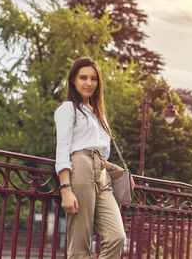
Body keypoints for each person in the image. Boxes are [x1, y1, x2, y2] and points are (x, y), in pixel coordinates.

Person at [54, 57, 133, 258]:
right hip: (80, 168)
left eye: (93, 79)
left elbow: (98, 151)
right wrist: (65, 189)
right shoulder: (67, 109)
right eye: (83, 78)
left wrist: (114, 167)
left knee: (117, 237)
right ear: (73, 80)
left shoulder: (98, 114)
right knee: (80, 244)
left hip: (102, 174)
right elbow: (63, 149)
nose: (89, 83)